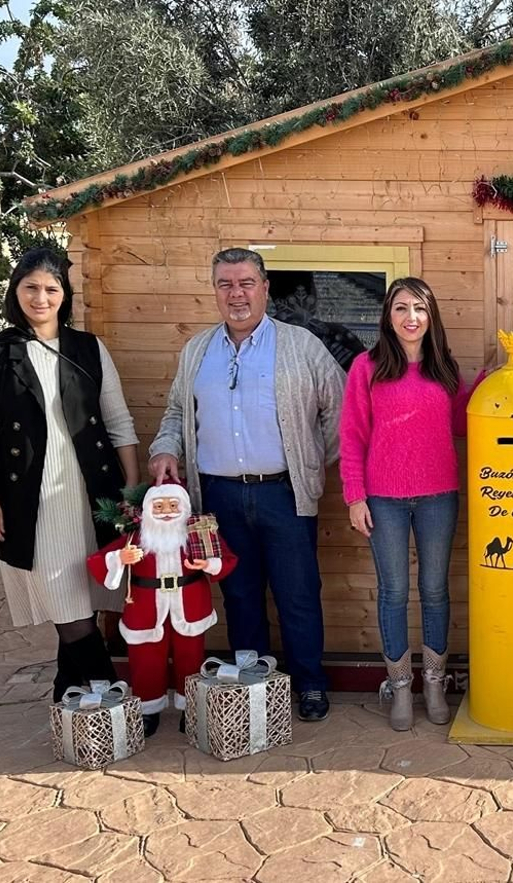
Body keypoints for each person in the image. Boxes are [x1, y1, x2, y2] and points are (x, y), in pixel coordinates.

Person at [149, 247, 345, 722]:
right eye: (226, 285)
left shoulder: (299, 345)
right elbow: (178, 411)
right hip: (217, 497)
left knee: (297, 592)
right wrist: (165, 448)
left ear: (265, 288)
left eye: (246, 283)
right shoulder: (197, 350)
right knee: (239, 594)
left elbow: (339, 409)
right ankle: (255, 684)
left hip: (284, 492)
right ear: (215, 290)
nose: (237, 294)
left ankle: (309, 684)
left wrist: (312, 463)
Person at [0, 247, 138, 704]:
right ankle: (109, 692)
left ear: (65, 295)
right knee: (64, 601)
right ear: (15, 291)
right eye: (31, 288)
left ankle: (70, 694)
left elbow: (119, 424)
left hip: (93, 492)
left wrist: (132, 495)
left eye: (51, 289)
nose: (41, 297)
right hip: (30, 498)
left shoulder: (89, 348)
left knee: (86, 595)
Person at [340, 277, 475, 731]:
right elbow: (352, 435)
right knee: (394, 593)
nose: (410, 317)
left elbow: (460, 422)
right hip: (384, 499)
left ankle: (434, 683)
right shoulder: (367, 367)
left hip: (439, 495)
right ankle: (400, 687)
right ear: (388, 316)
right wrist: (355, 496)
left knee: (435, 591)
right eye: (401, 308)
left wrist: (491, 383)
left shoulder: (445, 368)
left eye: (418, 308)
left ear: (430, 315)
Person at [88, 483, 235, 735]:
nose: (166, 512)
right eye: (158, 507)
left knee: (191, 659)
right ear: (146, 510)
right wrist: (120, 559)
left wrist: (208, 563)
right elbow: (98, 561)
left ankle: (191, 708)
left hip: (188, 606)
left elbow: (228, 559)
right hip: (145, 608)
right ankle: (147, 710)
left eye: (173, 506)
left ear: (185, 508)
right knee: (145, 660)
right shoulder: (136, 538)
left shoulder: (197, 535)